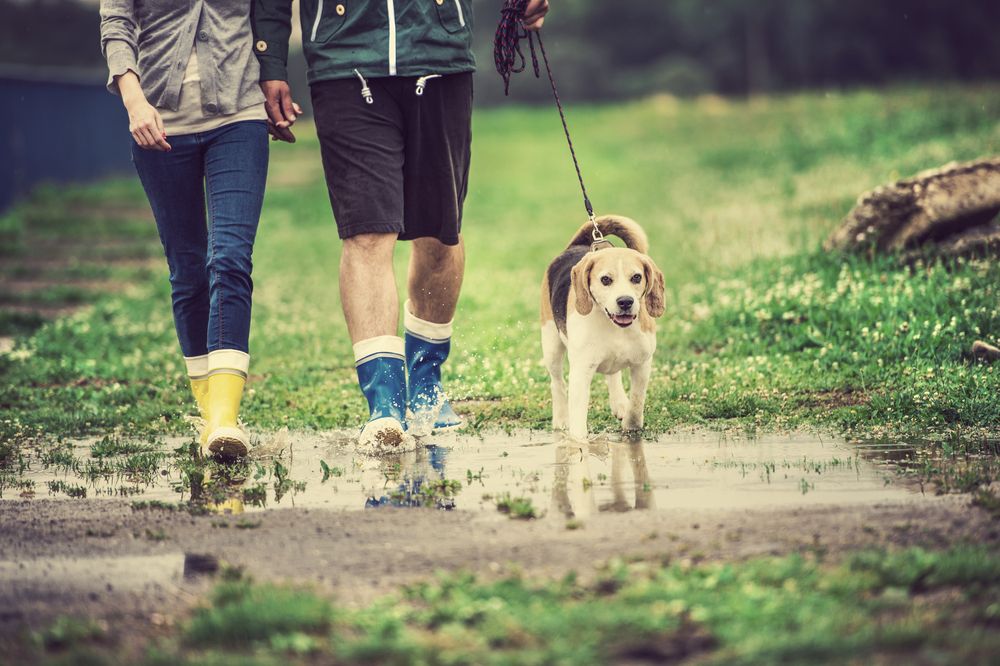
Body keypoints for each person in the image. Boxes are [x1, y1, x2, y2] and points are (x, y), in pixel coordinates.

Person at [251, 0, 549, 448]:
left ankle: (426, 383)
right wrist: (271, 60)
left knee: (439, 234)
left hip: (438, 54)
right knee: (366, 232)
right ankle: (385, 405)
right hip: (345, 60)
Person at [100, 0, 282, 459]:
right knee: (188, 271)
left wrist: (274, 76)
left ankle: (224, 422)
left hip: (239, 119)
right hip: (158, 126)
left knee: (230, 259)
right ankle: (208, 415)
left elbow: (271, 13)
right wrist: (134, 100)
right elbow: (116, 21)